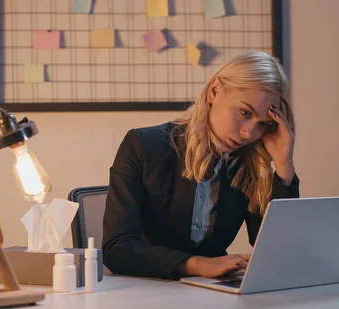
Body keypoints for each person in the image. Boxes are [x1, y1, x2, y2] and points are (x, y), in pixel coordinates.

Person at [102, 51, 299, 280]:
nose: (249, 133)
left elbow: (278, 250)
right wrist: (195, 265)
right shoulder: (145, 146)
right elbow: (117, 249)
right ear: (214, 91)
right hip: (147, 286)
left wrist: (284, 164)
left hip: (214, 292)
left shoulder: (248, 162)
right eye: (245, 112)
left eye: (263, 124)